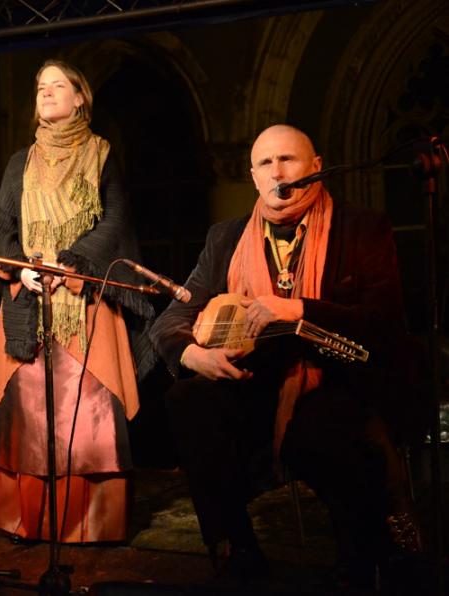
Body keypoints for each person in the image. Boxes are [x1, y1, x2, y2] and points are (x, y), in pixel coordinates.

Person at [150, 124, 422, 587]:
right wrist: (192, 354)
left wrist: (298, 309)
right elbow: (172, 319)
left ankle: (359, 559)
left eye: (288, 159)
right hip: (254, 383)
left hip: (333, 378)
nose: (277, 172)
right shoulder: (226, 237)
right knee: (188, 399)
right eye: (265, 163)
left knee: (318, 429)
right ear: (253, 176)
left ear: (316, 167)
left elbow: (385, 323)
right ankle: (239, 549)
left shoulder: (360, 227)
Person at [0, 60, 155, 543]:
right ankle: (28, 520)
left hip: (85, 299)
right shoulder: (20, 162)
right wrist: (20, 268)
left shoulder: (102, 154)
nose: (46, 92)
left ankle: (90, 525)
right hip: (30, 299)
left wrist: (74, 261)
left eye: (57, 85)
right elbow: (2, 228)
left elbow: (115, 221)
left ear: (80, 97)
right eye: (41, 86)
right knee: (28, 414)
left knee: (90, 414)